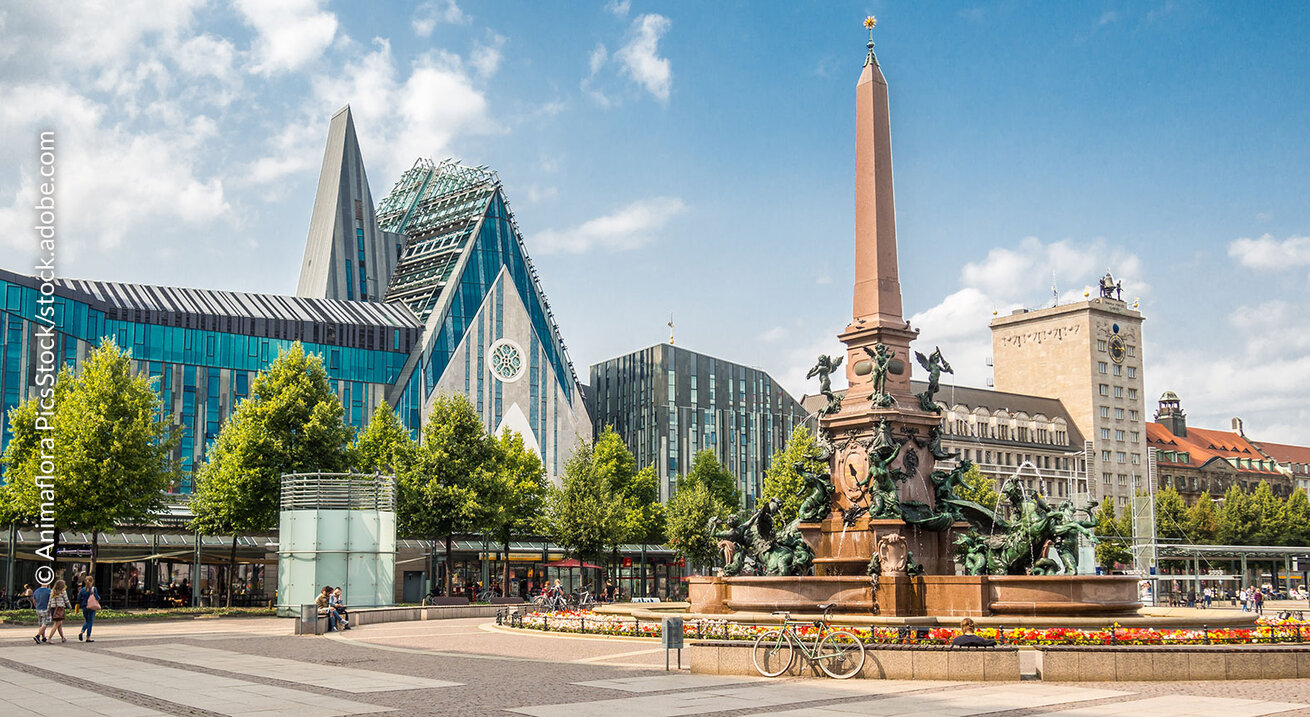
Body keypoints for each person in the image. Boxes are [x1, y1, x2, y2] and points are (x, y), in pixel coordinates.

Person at [78, 576, 101, 643]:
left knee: (87, 620)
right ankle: (88, 637)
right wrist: (98, 598)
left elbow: (79, 598)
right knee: (90, 622)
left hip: (84, 607)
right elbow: (97, 597)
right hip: (91, 607)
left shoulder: (82, 590)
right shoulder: (93, 589)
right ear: (92, 581)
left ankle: (82, 632)